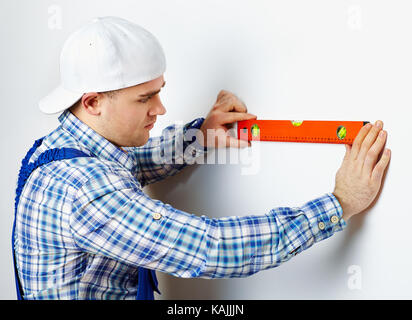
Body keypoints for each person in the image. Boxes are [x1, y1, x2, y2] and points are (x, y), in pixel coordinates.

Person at [12, 16, 391, 300]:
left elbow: (135, 163)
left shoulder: (68, 148)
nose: (161, 109)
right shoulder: (82, 189)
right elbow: (212, 248)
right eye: (144, 99)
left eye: (158, 92)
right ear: (93, 101)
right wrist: (339, 204)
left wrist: (200, 136)